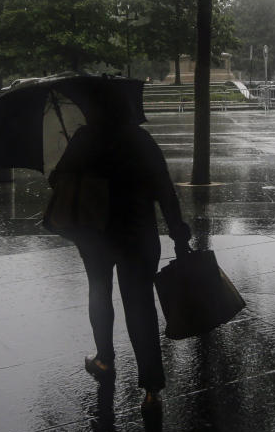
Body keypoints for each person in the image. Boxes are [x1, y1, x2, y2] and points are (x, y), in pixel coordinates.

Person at [50, 119, 191, 411]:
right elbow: (164, 189)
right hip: (138, 234)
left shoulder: (84, 137)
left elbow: (58, 181)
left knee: (99, 293)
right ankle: (152, 388)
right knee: (141, 307)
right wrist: (178, 233)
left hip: (96, 233)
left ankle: (104, 359)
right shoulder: (142, 140)